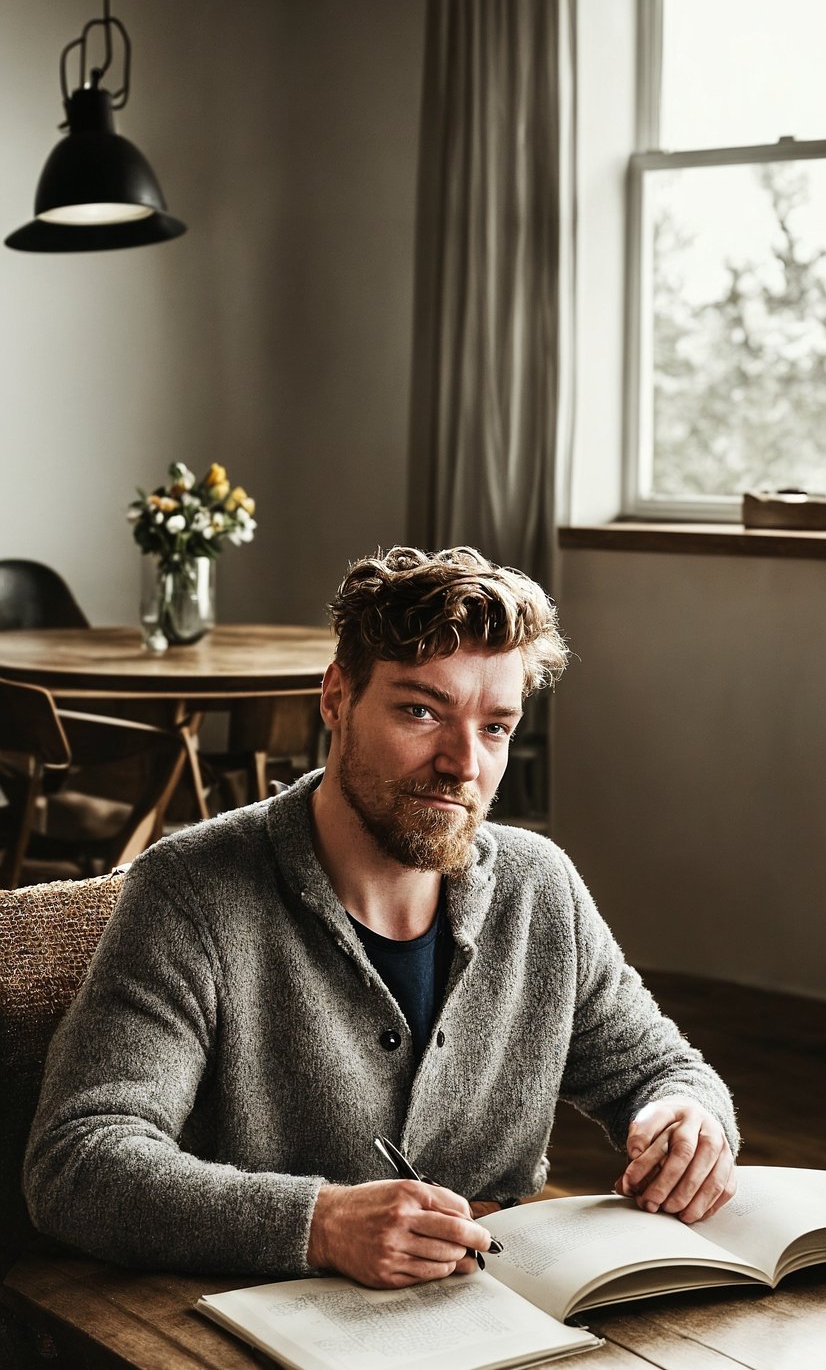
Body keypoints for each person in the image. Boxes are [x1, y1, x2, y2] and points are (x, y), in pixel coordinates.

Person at [24, 546, 738, 1288]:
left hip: (503, 1312)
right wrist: (320, 1225)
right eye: (422, 710)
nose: (463, 762)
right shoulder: (192, 890)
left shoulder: (539, 887)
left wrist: (689, 1117)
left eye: (495, 727)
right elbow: (78, 1162)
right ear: (335, 697)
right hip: (269, 1322)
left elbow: (659, 1069)